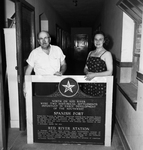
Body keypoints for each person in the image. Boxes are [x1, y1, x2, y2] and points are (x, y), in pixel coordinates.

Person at [24, 31, 67, 95]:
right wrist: (25, 86)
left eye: (45, 38)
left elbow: (64, 64)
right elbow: (28, 70)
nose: (44, 41)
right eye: (41, 39)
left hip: (56, 83)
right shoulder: (34, 53)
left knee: (56, 103)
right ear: (38, 41)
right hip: (40, 84)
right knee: (41, 104)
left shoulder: (57, 50)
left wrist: (61, 72)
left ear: (50, 39)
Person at [82, 31, 113, 97]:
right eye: (95, 39)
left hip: (100, 84)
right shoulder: (90, 53)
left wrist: (94, 75)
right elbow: (85, 68)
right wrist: (88, 73)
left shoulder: (107, 54)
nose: (97, 41)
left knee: (99, 105)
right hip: (89, 82)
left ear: (104, 41)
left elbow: (110, 72)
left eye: (100, 39)